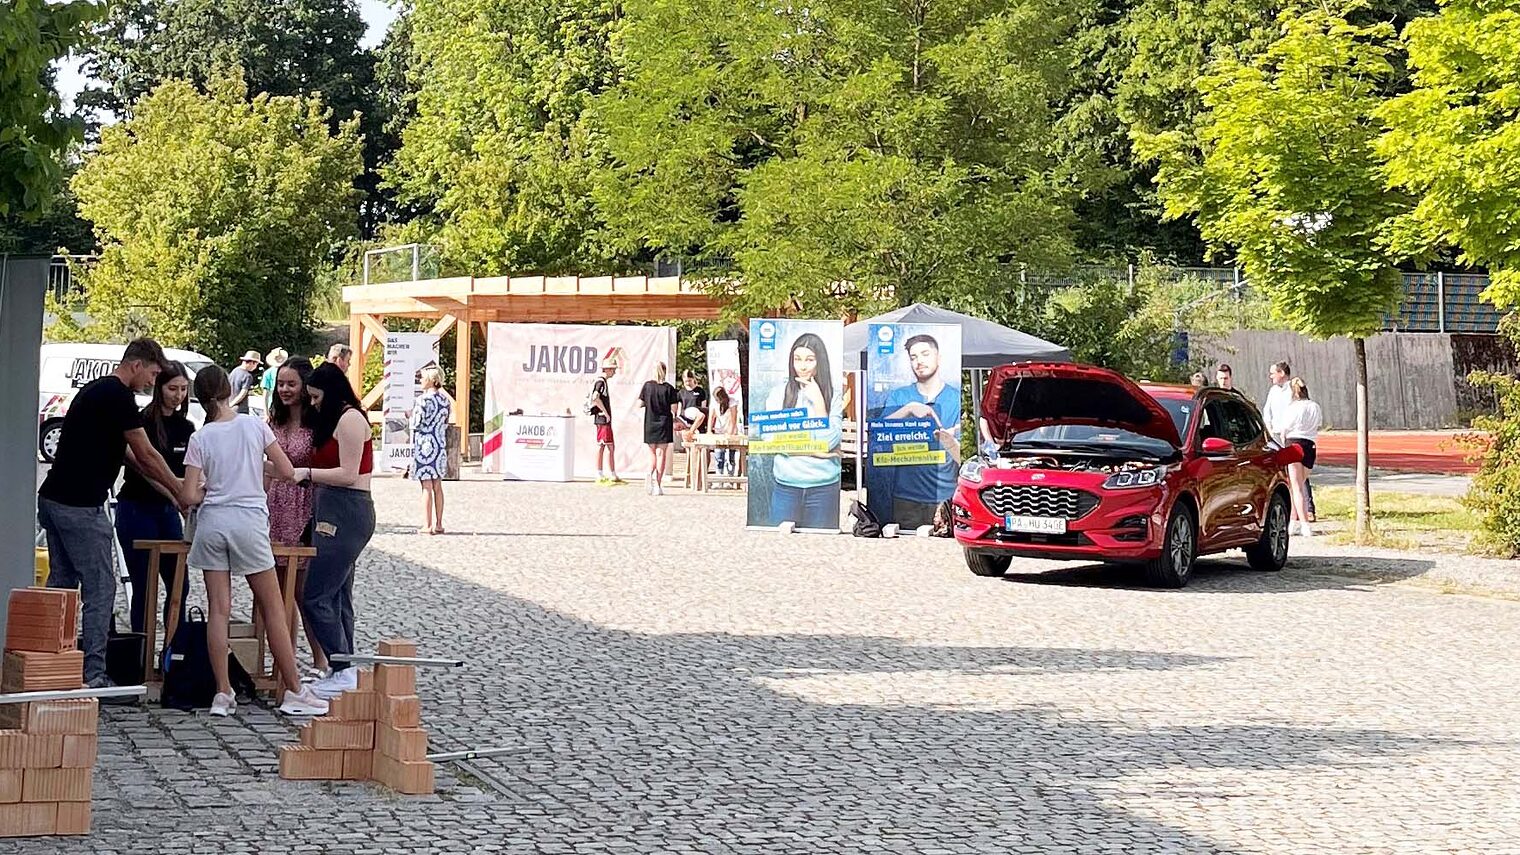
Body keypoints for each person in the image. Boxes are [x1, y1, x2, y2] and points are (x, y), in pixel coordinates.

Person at [178, 365, 329, 718]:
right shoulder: (254, 426)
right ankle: (293, 689)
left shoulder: (201, 438)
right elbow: (289, 471)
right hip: (248, 522)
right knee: (273, 608)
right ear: (229, 390)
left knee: (219, 609)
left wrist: (209, 489)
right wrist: (259, 469)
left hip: (213, 524)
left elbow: (188, 493)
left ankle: (222, 692)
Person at [38, 338, 181, 692]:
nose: (152, 381)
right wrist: (182, 488)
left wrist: (172, 492)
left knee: (63, 583)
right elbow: (145, 453)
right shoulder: (118, 396)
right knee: (101, 588)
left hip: (54, 499)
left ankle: (54, 664)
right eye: (152, 372)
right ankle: (93, 674)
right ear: (136, 365)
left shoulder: (96, 391)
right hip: (80, 506)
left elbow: (131, 460)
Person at [294, 363, 376, 700]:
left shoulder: (352, 419)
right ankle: (343, 666)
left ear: (331, 392)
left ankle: (342, 665)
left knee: (315, 594)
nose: (312, 403)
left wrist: (306, 473)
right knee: (339, 595)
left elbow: (348, 473)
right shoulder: (334, 420)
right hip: (331, 507)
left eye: (315, 397)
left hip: (348, 508)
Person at [114, 361, 194, 636]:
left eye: (184, 389)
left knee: (179, 584)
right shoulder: (141, 421)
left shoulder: (186, 427)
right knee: (144, 585)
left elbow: (188, 473)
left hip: (167, 510)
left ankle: (175, 652)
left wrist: (184, 497)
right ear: (159, 388)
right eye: (173, 388)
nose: (179, 395)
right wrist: (174, 492)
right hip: (137, 506)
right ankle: (141, 650)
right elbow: (143, 465)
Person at [266, 356, 325, 678]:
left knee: (303, 591)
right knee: (275, 592)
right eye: (281, 384)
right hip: (275, 505)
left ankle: (320, 657)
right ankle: (282, 662)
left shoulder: (316, 423)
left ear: (304, 387)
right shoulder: (273, 421)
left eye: (291, 384)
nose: (285, 390)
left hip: (304, 504)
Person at [879, 334, 963, 529]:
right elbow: (878, 434)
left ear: (938, 357)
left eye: (925, 354)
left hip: (944, 498)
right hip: (906, 498)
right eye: (913, 357)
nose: (919, 361)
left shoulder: (956, 398)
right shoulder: (899, 396)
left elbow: (963, 457)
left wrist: (949, 441)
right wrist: (908, 409)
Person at [766, 333, 843, 529]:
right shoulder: (778, 393)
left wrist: (819, 403)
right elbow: (770, 440)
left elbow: (829, 441)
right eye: (797, 359)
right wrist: (815, 452)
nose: (802, 366)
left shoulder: (833, 394)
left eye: (809, 359)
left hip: (824, 488)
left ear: (820, 362)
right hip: (786, 486)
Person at [1278, 378, 1323, 536]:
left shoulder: (1291, 408)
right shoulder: (1314, 406)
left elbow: (1284, 428)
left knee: (1295, 487)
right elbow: (1318, 424)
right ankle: (1292, 521)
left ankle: (1304, 525)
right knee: (1298, 485)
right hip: (1309, 445)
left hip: (1293, 444)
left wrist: (1283, 444)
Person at [411, 366, 452, 534]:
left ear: (430, 380)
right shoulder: (445, 401)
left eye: (422, 378)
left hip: (425, 444)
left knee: (426, 485)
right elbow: (445, 423)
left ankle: (427, 525)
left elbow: (416, 423)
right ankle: (439, 523)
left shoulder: (423, 400)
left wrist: (409, 416)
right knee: (437, 485)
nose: (420, 380)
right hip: (439, 444)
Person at [637, 363, 681, 495]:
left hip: (650, 421)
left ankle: (649, 472)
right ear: (665, 372)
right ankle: (658, 484)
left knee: (652, 453)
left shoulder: (647, 386)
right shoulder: (669, 389)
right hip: (664, 422)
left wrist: (649, 403)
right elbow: (674, 409)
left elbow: (639, 404)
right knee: (661, 454)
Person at [589, 358, 625, 485]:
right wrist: (605, 412)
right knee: (605, 445)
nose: (614, 372)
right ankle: (604, 473)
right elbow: (595, 397)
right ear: (607, 370)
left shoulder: (602, 382)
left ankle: (610, 472)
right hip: (602, 420)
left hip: (603, 419)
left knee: (606, 446)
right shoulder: (601, 382)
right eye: (613, 370)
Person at [711, 387, 739, 476]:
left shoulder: (732, 401)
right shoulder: (714, 404)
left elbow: (733, 418)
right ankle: (719, 476)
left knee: (731, 455)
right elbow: (711, 417)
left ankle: (730, 477)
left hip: (731, 431)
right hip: (719, 431)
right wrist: (709, 431)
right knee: (719, 454)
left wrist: (730, 433)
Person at [229, 350, 260, 415]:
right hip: (240, 409)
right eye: (256, 364)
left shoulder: (234, 371)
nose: (255, 367)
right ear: (252, 363)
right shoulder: (247, 376)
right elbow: (242, 393)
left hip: (229, 408)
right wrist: (232, 404)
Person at [678, 370, 709, 436]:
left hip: (698, 420)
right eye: (686, 381)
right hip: (686, 420)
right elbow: (679, 408)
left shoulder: (700, 391)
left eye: (689, 381)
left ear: (693, 379)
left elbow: (703, 407)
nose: (687, 383)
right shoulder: (681, 392)